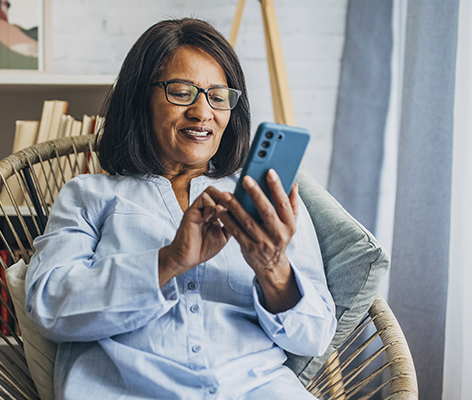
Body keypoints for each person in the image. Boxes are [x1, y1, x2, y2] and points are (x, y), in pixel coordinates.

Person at [24, 18, 337, 399]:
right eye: (182, 92)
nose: (203, 112)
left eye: (218, 96)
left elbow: (315, 336)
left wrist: (273, 269)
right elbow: (50, 306)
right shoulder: (88, 195)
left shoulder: (263, 197)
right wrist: (169, 260)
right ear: (142, 97)